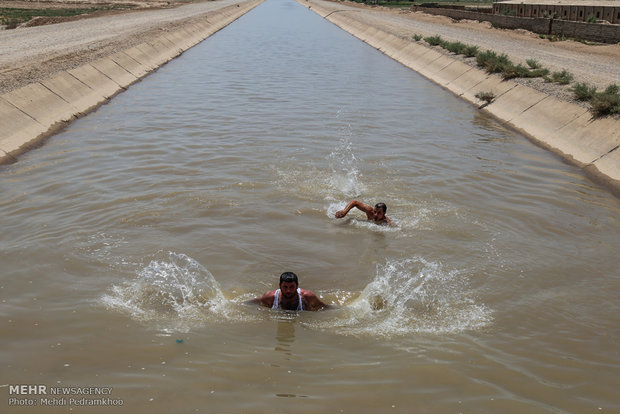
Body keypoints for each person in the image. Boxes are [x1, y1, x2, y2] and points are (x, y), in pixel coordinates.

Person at [248, 272, 328, 311]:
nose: (288, 290)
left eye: (292, 287)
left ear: (297, 286)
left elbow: (324, 307)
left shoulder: (308, 297)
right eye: (285, 287)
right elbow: (251, 303)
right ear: (279, 286)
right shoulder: (270, 297)